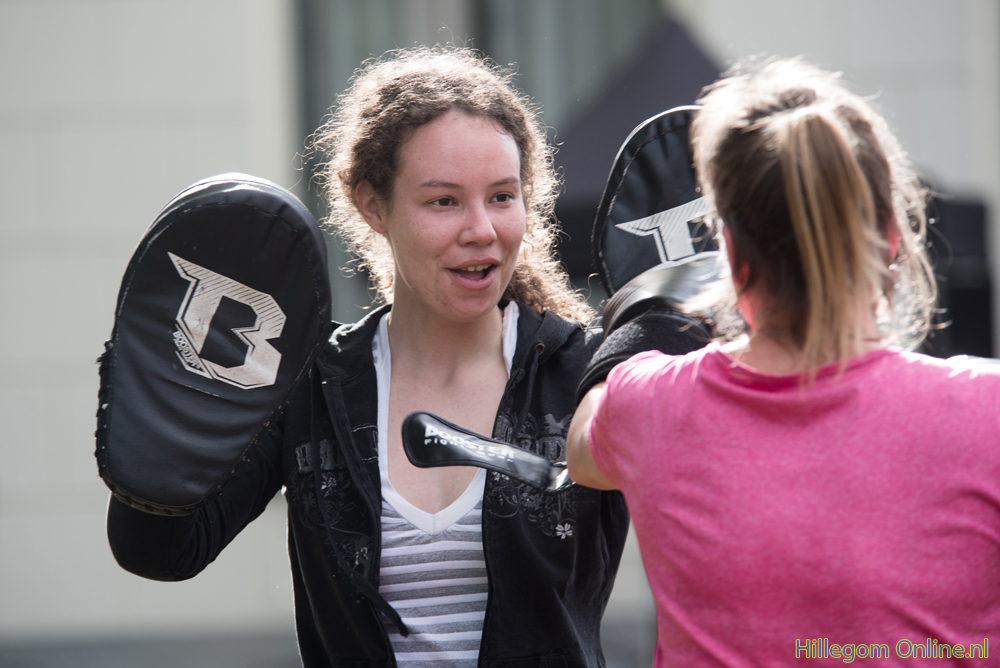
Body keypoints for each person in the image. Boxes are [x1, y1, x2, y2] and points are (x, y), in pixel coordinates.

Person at [107, 47, 629, 667]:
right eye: (443, 201)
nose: (482, 230)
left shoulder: (589, 375)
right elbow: (162, 553)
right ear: (374, 206)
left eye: (501, 196)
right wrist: (164, 406)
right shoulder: (313, 386)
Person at [567, 58, 1000, 666]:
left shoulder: (650, 404)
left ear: (731, 256)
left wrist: (655, 306)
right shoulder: (987, 410)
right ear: (891, 238)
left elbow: (582, 447)